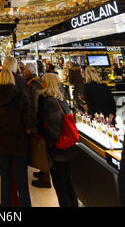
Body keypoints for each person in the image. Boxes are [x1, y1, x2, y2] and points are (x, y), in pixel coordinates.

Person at [0, 68, 34, 207]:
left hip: (2, 144)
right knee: (22, 181)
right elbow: (29, 122)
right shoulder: (21, 96)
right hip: (19, 144)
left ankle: (5, 206)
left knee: (6, 180)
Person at [37, 72, 78, 207]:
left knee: (60, 186)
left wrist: (49, 145)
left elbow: (53, 128)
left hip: (58, 149)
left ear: (47, 84)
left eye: (43, 81)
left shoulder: (49, 101)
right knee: (68, 183)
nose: (41, 83)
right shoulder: (61, 99)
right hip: (68, 147)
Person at [23, 62, 52, 189]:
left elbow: (34, 105)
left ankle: (46, 178)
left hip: (38, 121)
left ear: (29, 72)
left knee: (41, 149)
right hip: (41, 120)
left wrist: (32, 123)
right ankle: (43, 172)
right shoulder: (36, 82)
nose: (23, 71)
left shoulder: (33, 85)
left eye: (24, 70)